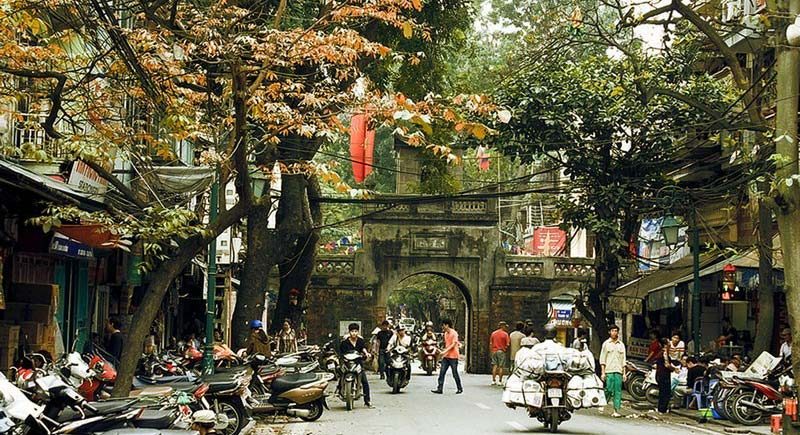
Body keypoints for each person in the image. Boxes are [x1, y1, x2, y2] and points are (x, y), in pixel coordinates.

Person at [339, 323, 373, 408]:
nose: (354, 333)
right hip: (347, 363)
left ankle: (367, 401)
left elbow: (363, 348)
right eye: (352, 331)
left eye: (355, 331)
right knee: (341, 376)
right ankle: (340, 390)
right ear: (349, 332)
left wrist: (366, 353)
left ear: (358, 332)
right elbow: (341, 352)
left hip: (358, 363)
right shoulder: (345, 342)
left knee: (364, 381)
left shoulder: (360, 341)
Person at [599, 324, 626, 418]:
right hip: (609, 370)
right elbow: (602, 359)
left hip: (619, 370)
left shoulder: (621, 345)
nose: (615, 332)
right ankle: (603, 403)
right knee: (609, 389)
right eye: (613, 331)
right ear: (609, 332)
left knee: (618, 391)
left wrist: (624, 373)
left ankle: (616, 410)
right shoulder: (606, 344)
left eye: (616, 331)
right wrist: (602, 372)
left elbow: (623, 360)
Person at [431, 318, 463, 394]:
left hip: (453, 356)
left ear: (447, 325)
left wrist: (445, 351)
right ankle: (440, 388)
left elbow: (453, 344)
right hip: (446, 356)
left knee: (454, 373)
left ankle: (459, 388)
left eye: (443, 325)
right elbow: (448, 344)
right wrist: (443, 352)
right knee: (442, 372)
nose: (442, 327)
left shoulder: (454, 333)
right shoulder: (445, 334)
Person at [654, 338, 675, 413]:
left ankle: (661, 408)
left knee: (662, 392)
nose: (670, 343)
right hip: (664, 375)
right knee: (665, 392)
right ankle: (662, 409)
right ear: (666, 344)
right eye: (669, 342)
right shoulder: (664, 353)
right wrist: (674, 369)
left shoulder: (662, 352)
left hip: (660, 374)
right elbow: (667, 365)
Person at [490, 321, 510, 385]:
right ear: (503, 326)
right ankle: (500, 381)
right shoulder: (505, 334)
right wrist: (505, 349)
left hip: (494, 351)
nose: (506, 328)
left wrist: (491, 351)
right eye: (505, 326)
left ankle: (493, 380)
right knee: (501, 367)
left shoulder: (493, 333)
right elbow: (508, 344)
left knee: (495, 366)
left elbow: (491, 343)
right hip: (501, 351)